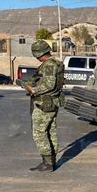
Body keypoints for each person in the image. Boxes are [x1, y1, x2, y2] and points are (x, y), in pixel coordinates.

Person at [24, 40, 65, 172]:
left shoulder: (49, 65)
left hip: (44, 103)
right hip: (52, 101)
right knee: (50, 131)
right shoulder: (55, 63)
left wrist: (33, 90)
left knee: (39, 133)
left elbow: (49, 85)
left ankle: (47, 163)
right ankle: (50, 161)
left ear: (39, 53)